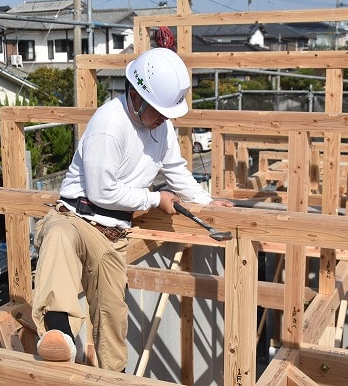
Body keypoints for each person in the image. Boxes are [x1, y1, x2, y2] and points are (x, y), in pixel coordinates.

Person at [31, 47, 232, 372]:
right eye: (159, 111)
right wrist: (155, 200)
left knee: (112, 318)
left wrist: (207, 202)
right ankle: (59, 333)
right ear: (136, 97)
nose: (164, 118)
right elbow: (102, 191)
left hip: (113, 234)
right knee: (58, 237)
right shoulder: (110, 124)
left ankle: (115, 377)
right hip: (77, 216)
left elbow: (176, 170)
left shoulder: (160, 127)